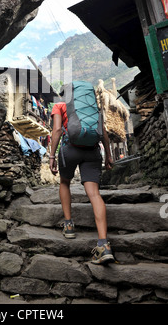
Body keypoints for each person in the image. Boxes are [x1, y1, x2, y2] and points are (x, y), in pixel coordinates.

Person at [49, 99, 115, 265]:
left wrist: (51, 156)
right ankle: (103, 245)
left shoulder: (59, 106)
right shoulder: (92, 105)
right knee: (94, 193)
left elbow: (57, 129)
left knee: (64, 182)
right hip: (92, 151)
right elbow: (104, 132)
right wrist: (108, 155)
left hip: (70, 148)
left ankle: (69, 225)